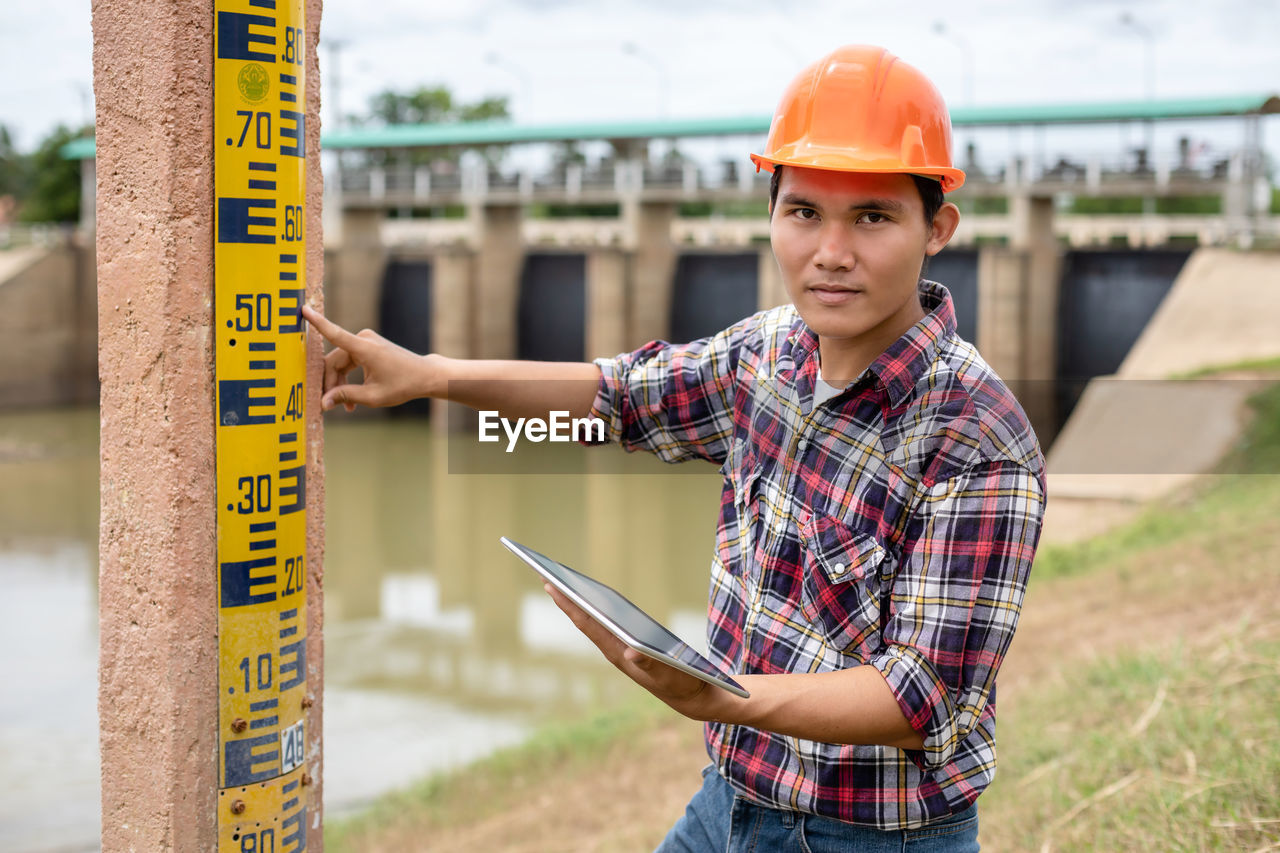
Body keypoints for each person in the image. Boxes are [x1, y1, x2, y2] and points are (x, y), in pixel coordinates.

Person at [303, 44, 1046, 852]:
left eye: (872, 216)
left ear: (937, 227)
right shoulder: (767, 356)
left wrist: (730, 699)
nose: (831, 251)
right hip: (726, 804)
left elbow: (923, 695)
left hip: (874, 836)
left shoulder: (978, 441)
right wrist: (431, 374)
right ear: (771, 215)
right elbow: (617, 392)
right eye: (804, 212)